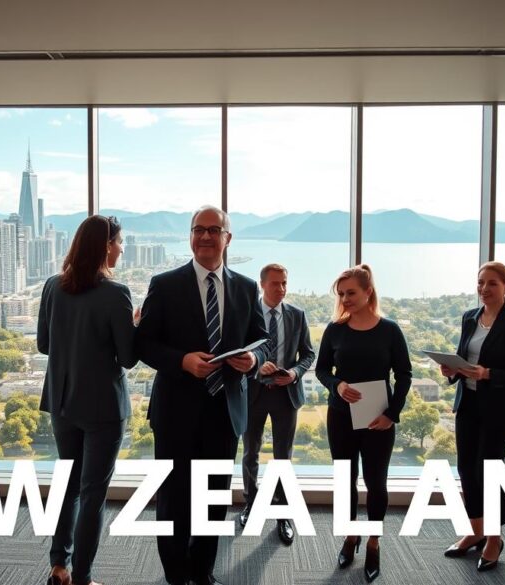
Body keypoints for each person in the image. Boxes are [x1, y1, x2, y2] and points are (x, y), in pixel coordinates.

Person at [136, 205, 269, 585]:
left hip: (224, 412)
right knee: (174, 499)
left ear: (228, 238)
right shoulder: (165, 284)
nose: (206, 236)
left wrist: (253, 359)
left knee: (214, 498)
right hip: (175, 412)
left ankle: (202, 571)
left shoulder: (246, 287)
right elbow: (143, 343)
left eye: (214, 230)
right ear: (190, 236)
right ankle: (176, 575)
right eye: (198, 229)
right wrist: (182, 361)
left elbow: (261, 341)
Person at [37, 215, 137, 585]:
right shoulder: (116, 294)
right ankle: (83, 577)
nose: (122, 249)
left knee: (68, 485)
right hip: (103, 408)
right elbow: (128, 357)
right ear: (106, 246)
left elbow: (44, 344)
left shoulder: (53, 285)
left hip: (63, 403)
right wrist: (134, 325)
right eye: (119, 243)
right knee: (93, 494)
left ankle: (59, 566)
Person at [315, 264, 411, 583]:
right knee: (345, 481)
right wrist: (338, 385)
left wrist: (391, 414)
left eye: (351, 293)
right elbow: (322, 371)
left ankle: (373, 542)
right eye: (341, 294)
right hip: (340, 417)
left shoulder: (390, 330)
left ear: (368, 292)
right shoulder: (335, 329)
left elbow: (404, 375)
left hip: (378, 419)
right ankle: (350, 536)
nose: (345, 299)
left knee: (375, 483)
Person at [439, 261, 505, 572]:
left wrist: (487, 373)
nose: (484, 288)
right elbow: (463, 357)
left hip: (498, 410)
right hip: (468, 403)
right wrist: (452, 370)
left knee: (490, 472)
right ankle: (476, 530)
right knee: (466, 469)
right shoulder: (470, 317)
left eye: (492, 283)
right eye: (481, 282)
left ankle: (494, 538)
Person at [238, 263, 315, 546]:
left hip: (285, 394)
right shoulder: (247, 314)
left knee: (283, 456)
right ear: (262, 285)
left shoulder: (297, 315)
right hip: (254, 393)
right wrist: (255, 367)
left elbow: (308, 354)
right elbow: (237, 354)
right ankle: (251, 503)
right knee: (251, 452)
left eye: (284, 283)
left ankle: (283, 513)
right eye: (275, 283)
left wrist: (294, 373)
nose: (281, 288)